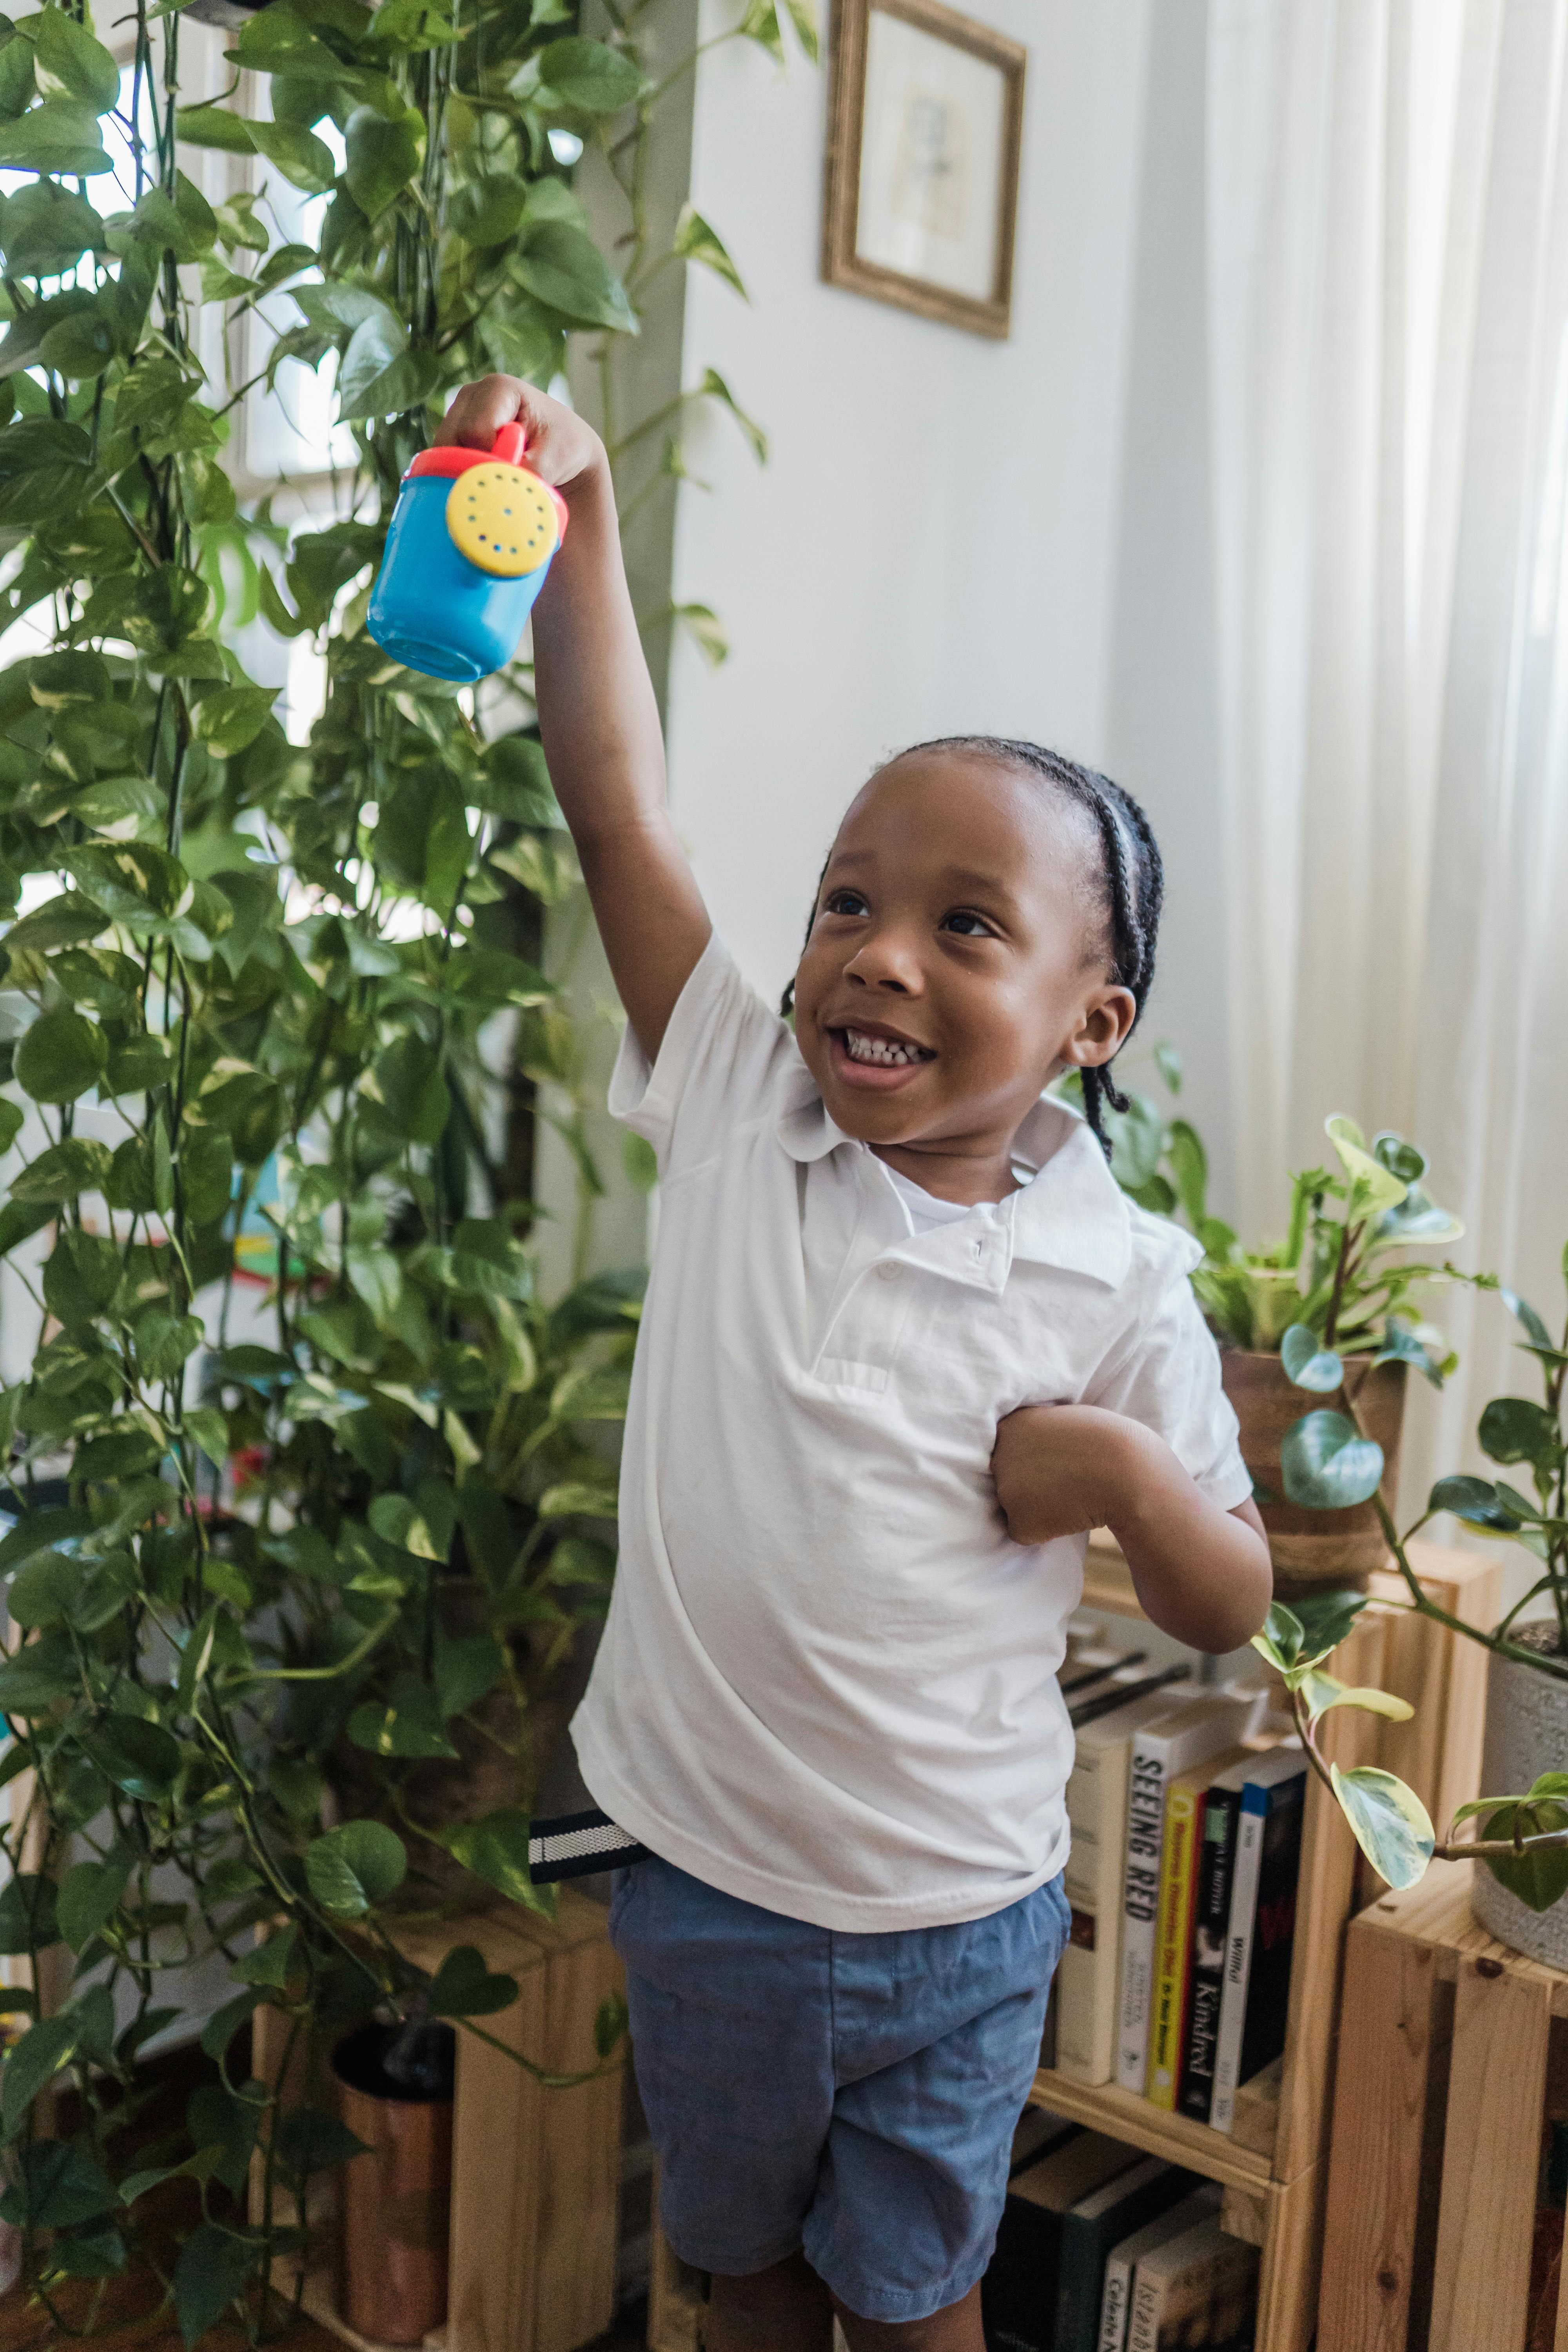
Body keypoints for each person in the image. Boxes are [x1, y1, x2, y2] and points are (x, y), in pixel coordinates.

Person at [435, 379, 1274, 2352]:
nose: (873, 953)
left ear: (1093, 1020)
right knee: (743, 2285)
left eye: (962, 925)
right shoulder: (740, 1096)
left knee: (913, 2310)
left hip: (956, 1924)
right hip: (706, 1885)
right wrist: (582, 508)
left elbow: (1230, 1606)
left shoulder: (1116, 1275)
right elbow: (618, 802)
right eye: (846, 902)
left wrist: (1123, 1482)